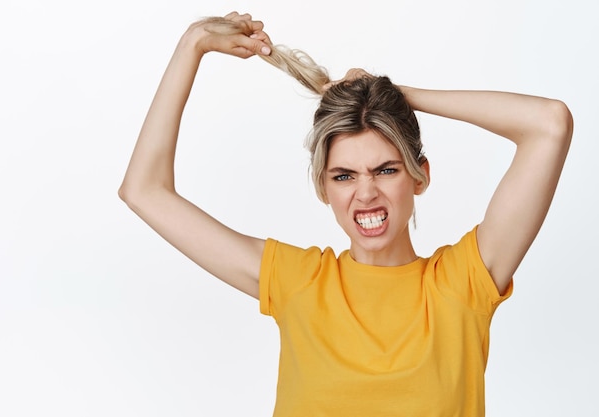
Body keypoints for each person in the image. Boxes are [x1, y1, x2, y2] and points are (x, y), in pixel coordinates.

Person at [119, 11, 573, 417]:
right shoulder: (299, 283)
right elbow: (144, 190)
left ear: (420, 176)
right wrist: (192, 44)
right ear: (323, 188)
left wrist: (397, 95)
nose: (366, 193)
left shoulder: (463, 285)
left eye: (386, 169)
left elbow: (549, 124)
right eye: (344, 176)